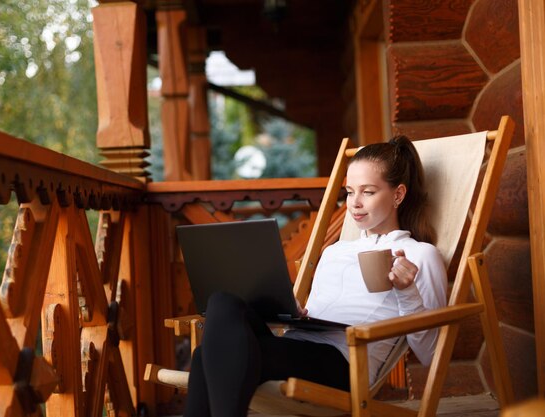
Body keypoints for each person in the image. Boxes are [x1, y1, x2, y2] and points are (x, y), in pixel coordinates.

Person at [183, 135, 448, 417]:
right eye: (349, 191)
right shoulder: (335, 252)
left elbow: (432, 354)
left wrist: (407, 293)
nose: (355, 203)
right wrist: (290, 312)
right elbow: (318, 311)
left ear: (398, 194)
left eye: (368, 192)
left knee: (205, 357)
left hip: (344, 363)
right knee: (222, 302)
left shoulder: (418, 255)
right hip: (297, 345)